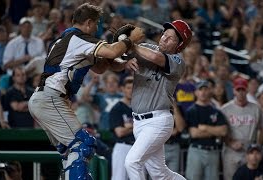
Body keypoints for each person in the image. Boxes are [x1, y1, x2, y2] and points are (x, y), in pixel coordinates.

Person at [28, 3, 144, 180]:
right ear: (89, 23)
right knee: (83, 144)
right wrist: (130, 40)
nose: (97, 28)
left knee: (69, 152)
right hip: (50, 98)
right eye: (97, 24)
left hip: (45, 99)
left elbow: (102, 66)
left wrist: (124, 59)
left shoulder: (67, 39)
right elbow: (112, 52)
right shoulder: (78, 38)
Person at [124, 19, 192, 180]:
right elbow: (119, 56)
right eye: (164, 34)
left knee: (132, 162)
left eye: (171, 38)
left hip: (158, 121)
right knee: (159, 174)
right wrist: (126, 61)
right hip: (138, 123)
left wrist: (130, 44)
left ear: (179, 45)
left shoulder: (178, 60)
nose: (164, 38)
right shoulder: (146, 48)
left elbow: (156, 57)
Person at [221, 77, 263, 180]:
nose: (240, 92)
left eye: (243, 89)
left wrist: (258, 146)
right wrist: (230, 143)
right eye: (238, 89)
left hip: (250, 148)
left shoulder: (256, 108)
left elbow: (261, 129)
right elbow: (221, 132)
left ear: (247, 90)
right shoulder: (225, 109)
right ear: (234, 91)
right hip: (231, 150)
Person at [185, 80, 228, 180]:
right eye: (200, 90)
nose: (203, 92)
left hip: (213, 151)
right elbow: (194, 133)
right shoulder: (191, 111)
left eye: (205, 89)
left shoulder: (216, 111)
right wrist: (214, 132)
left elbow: (224, 131)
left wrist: (205, 128)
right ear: (196, 92)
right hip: (196, 150)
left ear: (210, 92)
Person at [109, 76, 134, 180]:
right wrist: (137, 125)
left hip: (137, 147)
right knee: (119, 178)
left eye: (133, 88)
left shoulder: (139, 107)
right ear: (123, 89)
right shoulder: (117, 108)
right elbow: (120, 132)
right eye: (128, 88)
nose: (131, 90)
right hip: (122, 147)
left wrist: (129, 127)